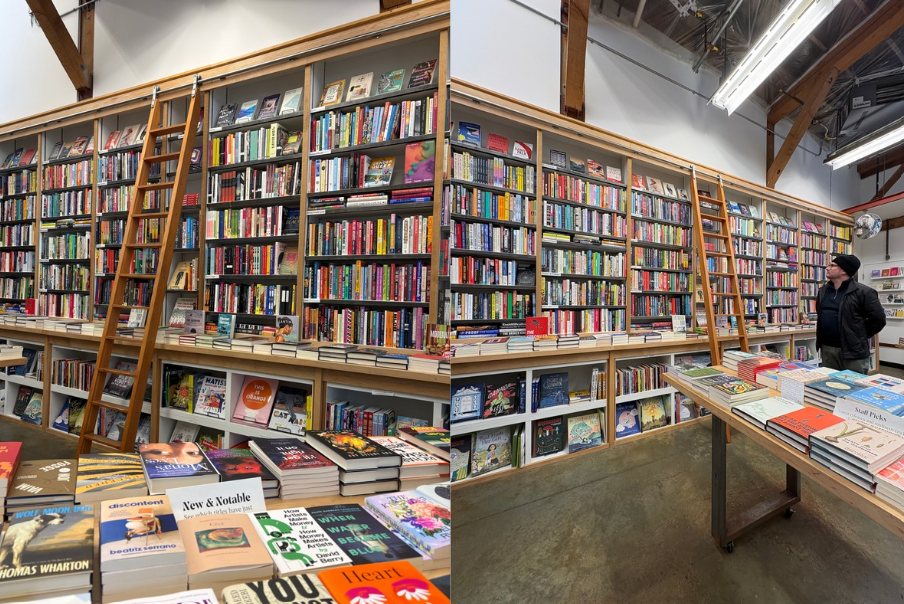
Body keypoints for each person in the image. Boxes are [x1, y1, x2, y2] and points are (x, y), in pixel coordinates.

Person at [816, 254, 885, 372]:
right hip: (827, 348)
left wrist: (858, 335)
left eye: (832, 265)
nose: (827, 268)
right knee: (828, 382)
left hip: (853, 351)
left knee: (854, 383)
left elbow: (878, 320)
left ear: (844, 270)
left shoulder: (864, 292)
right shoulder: (823, 291)